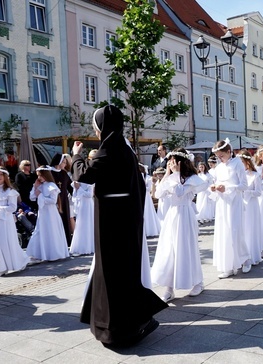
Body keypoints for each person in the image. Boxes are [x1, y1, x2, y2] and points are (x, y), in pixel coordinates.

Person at [71, 105, 167, 347]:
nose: (94, 130)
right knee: (119, 274)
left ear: (103, 126)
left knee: (113, 276)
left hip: (112, 225)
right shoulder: (123, 148)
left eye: (95, 125)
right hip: (123, 221)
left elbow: (83, 175)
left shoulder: (109, 149)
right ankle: (133, 321)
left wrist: (76, 155)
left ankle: (120, 329)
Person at [151, 148, 206, 302]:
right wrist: (168, 174)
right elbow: (158, 194)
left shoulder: (192, 178)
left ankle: (198, 282)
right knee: (169, 250)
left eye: (173, 161)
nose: (170, 163)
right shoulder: (171, 177)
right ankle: (168, 287)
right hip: (172, 215)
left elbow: (181, 192)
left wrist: (174, 174)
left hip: (185, 215)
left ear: (180, 162)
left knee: (187, 248)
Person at [210, 138, 251, 278]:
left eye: (222, 156)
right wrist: (214, 188)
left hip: (235, 203)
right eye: (217, 157)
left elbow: (244, 185)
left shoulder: (237, 164)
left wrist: (227, 187)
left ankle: (245, 259)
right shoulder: (219, 168)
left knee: (235, 231)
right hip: (222, 203)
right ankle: (228, 265)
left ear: (229, 152)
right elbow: (216, 182)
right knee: (224, 232)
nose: (220, 159)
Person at [0, 167, 30, 277]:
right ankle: (0, 267)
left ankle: (18, 261)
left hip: (5, 221)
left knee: (6, 242)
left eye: (1, 175)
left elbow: (13, 208)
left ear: (5, 177)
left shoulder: (10, 191)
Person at [26, 166, 69, 262]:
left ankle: (53, 253)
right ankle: (38, 253)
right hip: (43, 213)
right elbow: (32, 197)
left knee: (51, 231)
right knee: (40, 231)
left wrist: (40, 196)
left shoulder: (52, 186)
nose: (39, 178)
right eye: (38, 176)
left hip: (51, 213)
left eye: (41, 175)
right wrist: (35, 187)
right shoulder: (40, 185)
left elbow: (53, 201)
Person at [236, 149, 262, 265]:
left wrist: (249, 192)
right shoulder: (238, 175)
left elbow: (259, 192)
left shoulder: (255, 175)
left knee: (251, 229)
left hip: (251, 205)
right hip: (241, 204)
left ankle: (252, 255)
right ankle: (243, 256)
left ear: (247, 162)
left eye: (242, 162)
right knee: (243, 229)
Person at [50, 153, 73, 245]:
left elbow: (70, 186)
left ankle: (66, 241)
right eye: (63, 162)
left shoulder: (64, 173)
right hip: (53, 201)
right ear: (58, 162)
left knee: (64, 220)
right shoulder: (49, 172)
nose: (65, 164)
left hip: (64, 201)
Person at [69, 181, 95, 256]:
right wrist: (76, 189)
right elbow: (74, 195)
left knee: (88, 224)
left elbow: (90, 195)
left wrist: (79, 188)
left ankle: (88, 247)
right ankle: (80, 246)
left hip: (88, 206)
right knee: (80, 225)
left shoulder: (89, 183)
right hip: (81, 205)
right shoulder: (76, 182)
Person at [139, 163, 161, 237]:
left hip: (147, 197)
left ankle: (149, 229)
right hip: (140, 196)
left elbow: (149, 189)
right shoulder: (138, 177)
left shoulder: (148, 178)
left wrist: (143, 186)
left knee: (147, 211)